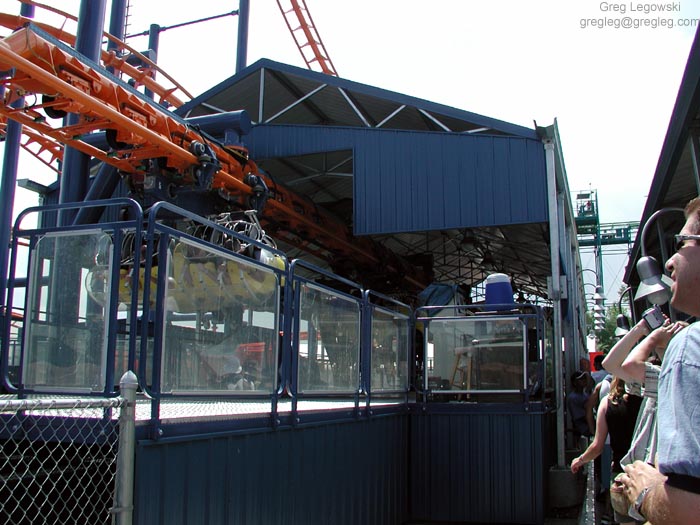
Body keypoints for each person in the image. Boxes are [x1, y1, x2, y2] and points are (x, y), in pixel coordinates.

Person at [618, 197, 700, 524]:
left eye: (682, 242)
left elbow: (688, 511)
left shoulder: (689, 349)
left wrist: (645, 490)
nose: (668, 263)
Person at [570, 376, 642, 525]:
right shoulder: (649, 401)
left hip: (621, 473)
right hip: (647, 474)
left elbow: (597, 446)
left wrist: (580, 460)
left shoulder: (608, 403)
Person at [567, 370, 592, 448]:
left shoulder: (585, 394)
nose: (584, 381)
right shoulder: (573, 398)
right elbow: (579, 417)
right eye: (581, 379)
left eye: (584, 379)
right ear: (575, 382)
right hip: (582, 428)